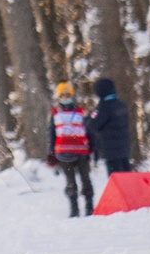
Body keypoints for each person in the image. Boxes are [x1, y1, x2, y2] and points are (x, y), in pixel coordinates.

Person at [48, 81, 93, 218]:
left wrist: (92, 147)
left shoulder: (80, 111)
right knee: (70, 181)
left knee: (86, 179)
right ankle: (74, 209)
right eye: (62, 95)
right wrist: (51, 152)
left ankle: (89, 206)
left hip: (81, 151)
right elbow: (52, 132)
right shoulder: (55, 113)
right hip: (63, 152)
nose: (65, 97)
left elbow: (88, 130)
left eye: (68, 95)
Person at [85, 76, 132, 176]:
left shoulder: (104, 107)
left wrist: (87, 119)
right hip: (124, 148)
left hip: (111, 150)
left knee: (116, 179)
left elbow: (93, 125)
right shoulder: (121, 105)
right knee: (127, 177)